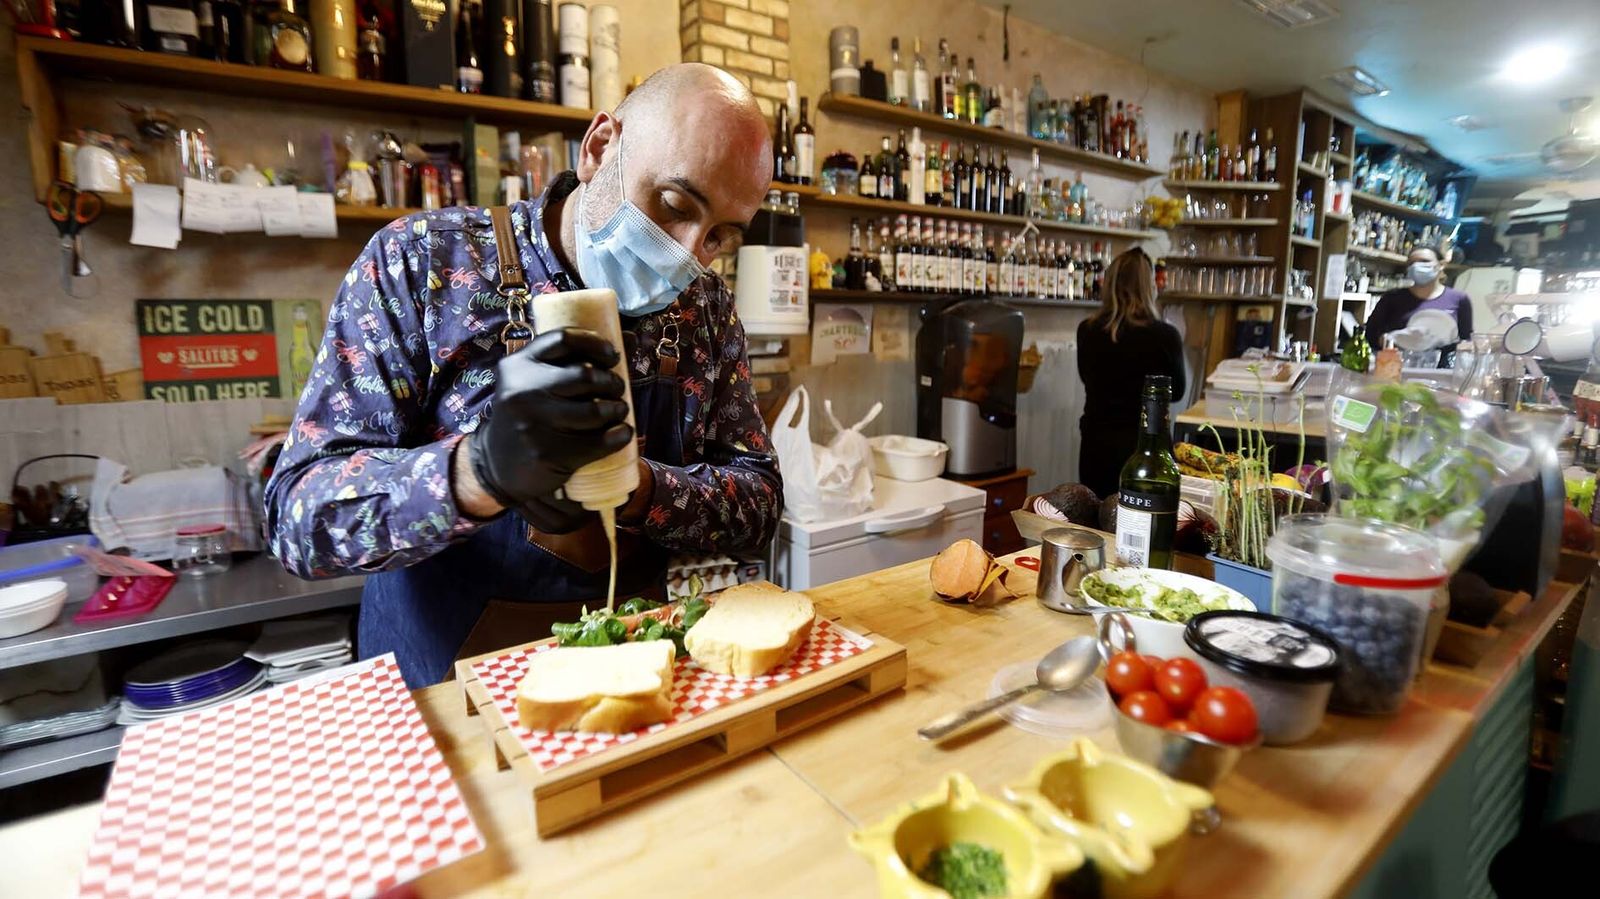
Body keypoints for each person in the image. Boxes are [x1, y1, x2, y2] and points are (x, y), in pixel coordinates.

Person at [263, 65, 782, 686]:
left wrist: (641, 489)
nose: (689, 252)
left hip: (636, 678)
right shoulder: (424, 263)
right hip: (444, 699)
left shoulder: (705, 312)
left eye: (720, 236)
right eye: (673, 205)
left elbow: (759, 505)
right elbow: (298, 518)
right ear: (599, 148)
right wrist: (474, 473)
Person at [1075, 248, 1187, 498]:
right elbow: (1177, 391)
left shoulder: (1088, 330)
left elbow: (1087, 378)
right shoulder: (1165, 335)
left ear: (1110, 282)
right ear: (1149, 287)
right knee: (1144, 523)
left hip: (1097, 443)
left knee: (1099, 519)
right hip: (1145, 446)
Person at [1364, 244, 1473, 347]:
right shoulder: (1392, 298)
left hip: (1442, 365)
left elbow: (1467, 339)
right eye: (1411, 263)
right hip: (1398, 363)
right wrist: (1386, 340)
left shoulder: (1459, 299)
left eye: (1424, 261)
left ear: (1441, 265)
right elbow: (1370, 335)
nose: (1416, 266)